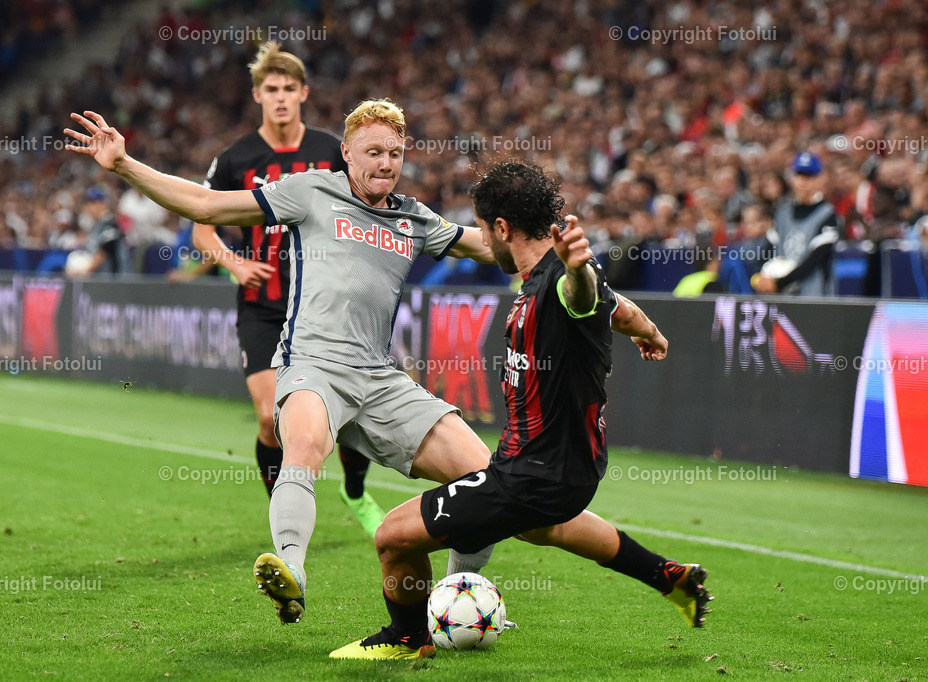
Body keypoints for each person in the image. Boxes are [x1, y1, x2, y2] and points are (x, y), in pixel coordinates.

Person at [64, 98, 504, 627]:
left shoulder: (414, 217)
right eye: (373, 152)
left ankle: (459, 600)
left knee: (485, 477)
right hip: (313, 364)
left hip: (381, 377)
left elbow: (490, 246)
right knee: (302, 446)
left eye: (394, 152)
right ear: (346, 153)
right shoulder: (312, 190)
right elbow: (207, 207)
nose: (386, 162)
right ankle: (291, 574)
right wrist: (124, 165)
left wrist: (548, 242)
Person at [329, 161, 711, 661]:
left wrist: (578, 271)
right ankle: (668, 577)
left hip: (534, 474)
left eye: (486, 231)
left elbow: (581, 296)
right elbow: (621, 309)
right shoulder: (546, 277)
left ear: (503, 228)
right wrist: (649, 332)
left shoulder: (561, 283)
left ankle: (406, 639)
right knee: (544, 526)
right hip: (559, 470)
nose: (484, 243)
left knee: (393, 537)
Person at [166, 42, 385, 535]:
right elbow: (203, 225)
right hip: (263, 307)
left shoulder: (331, 151)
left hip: (324, 305)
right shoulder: (235, 158)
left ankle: (353, 490)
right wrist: (234, 264)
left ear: (304, 93)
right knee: (270, 421)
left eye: (290, 88)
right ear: (257, 94)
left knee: (346, 420)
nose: (281, 97)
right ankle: (282, 515)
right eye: (272, 89)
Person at [753, 152, 842, 296]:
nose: (803, 182)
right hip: (779, 295)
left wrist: (779, 283)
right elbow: (769, 248)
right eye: (799, 176)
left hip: (811, 295)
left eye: (809, 177)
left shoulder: (828, 215)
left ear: (820, 179)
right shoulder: (782, 211)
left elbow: (816, 259)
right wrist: (763, 276)